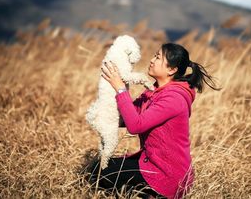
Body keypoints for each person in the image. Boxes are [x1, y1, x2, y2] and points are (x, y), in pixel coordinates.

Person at [85, 42, 220, 198]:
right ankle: (141, 194)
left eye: (158, 57)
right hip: (153, 164)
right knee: (97, 168)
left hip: (168, 175)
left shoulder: (173, 98)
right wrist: (103, 108)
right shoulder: (153, 91)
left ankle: (150, 195)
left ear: (172, 69)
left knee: (101, 173)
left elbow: (135, 126)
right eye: (154, 55)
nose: (152, 60)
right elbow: (127, 118)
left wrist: (120, 88)